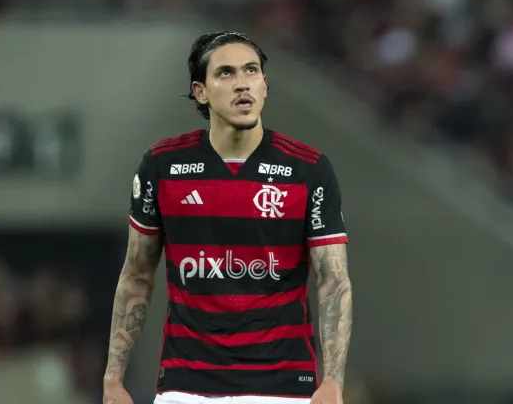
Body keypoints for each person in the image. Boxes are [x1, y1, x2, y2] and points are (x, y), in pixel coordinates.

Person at [102, 31, 353, 404]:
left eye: (251, 71)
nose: (242, 84)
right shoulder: (162, 165)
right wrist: (113, 378)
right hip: (185, 386)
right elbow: (137, 274)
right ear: (200, 91)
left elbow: (333, 280)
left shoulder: (308, 169)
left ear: (265, 86)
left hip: (284, 386)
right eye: (226, 73)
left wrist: (332, 381)